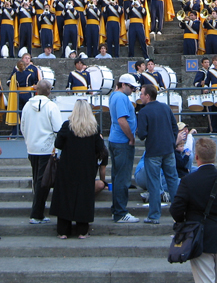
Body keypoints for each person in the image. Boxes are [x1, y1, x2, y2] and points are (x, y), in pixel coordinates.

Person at [170, 138, 217, 283]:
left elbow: (176, 209)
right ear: (215, 156)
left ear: (196, 157)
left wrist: (185, 224)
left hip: (199, 237)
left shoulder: (188, 181)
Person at [49, 99, 107, 239]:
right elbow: (101, 149)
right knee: (83, 197)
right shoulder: (94, 128)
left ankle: (63, 230)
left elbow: (58, 144)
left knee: (65, 197)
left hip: (67, 167)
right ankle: (82, 230)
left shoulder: (67, 126)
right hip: (86, 168)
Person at [135, 83, 179, 224]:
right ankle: (179, 214)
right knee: (172, 180)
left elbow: (142, 134)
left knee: (154, 183)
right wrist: (172, 142)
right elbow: (174, 126)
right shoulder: (165, 108)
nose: (140, 96)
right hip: (168, 149)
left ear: (147, 96)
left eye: (141, 94)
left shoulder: (144, 112)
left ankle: (154, 215)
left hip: (153, 151)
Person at [20, 79, 63, 224]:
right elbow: (58, 128)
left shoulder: (27, 105)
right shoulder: (51, 106)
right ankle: (36, 213)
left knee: (37, 180)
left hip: (32, 147)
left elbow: (23, 126)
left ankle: (38, 211)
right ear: (49, 91)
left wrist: (29, 140)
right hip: (47, 149)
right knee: (43, 182)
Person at [108, 73, 140, 223]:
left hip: (116, 140)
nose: (133, 90)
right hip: (122, 142)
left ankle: (116, 208)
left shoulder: (114, 96)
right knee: (123, 178)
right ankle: (120, 212)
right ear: (124, 85)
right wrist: (131, 137)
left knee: (117, 176)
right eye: (132, 87)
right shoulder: (121, 98)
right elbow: (122, 120)